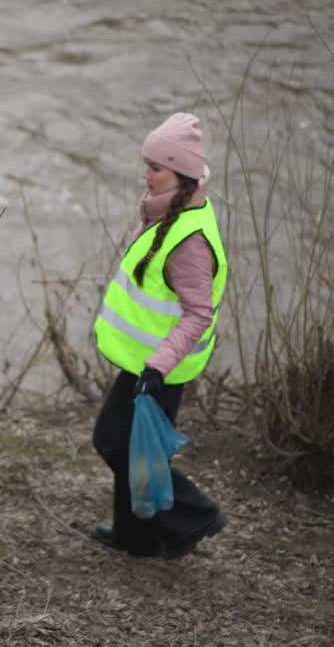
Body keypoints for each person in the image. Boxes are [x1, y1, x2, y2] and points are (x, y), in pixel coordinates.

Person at [88, 112, 229, 559]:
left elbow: (197, 314)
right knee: (137, 447)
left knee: (117, 441)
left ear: (181, 175)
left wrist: (158, 367)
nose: (145, 176)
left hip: (160, 365)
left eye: (155, 168)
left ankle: (194, 514)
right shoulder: (170, 213)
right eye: (146, 165)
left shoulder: (187, 239)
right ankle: (137, 538)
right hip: (149, 360)